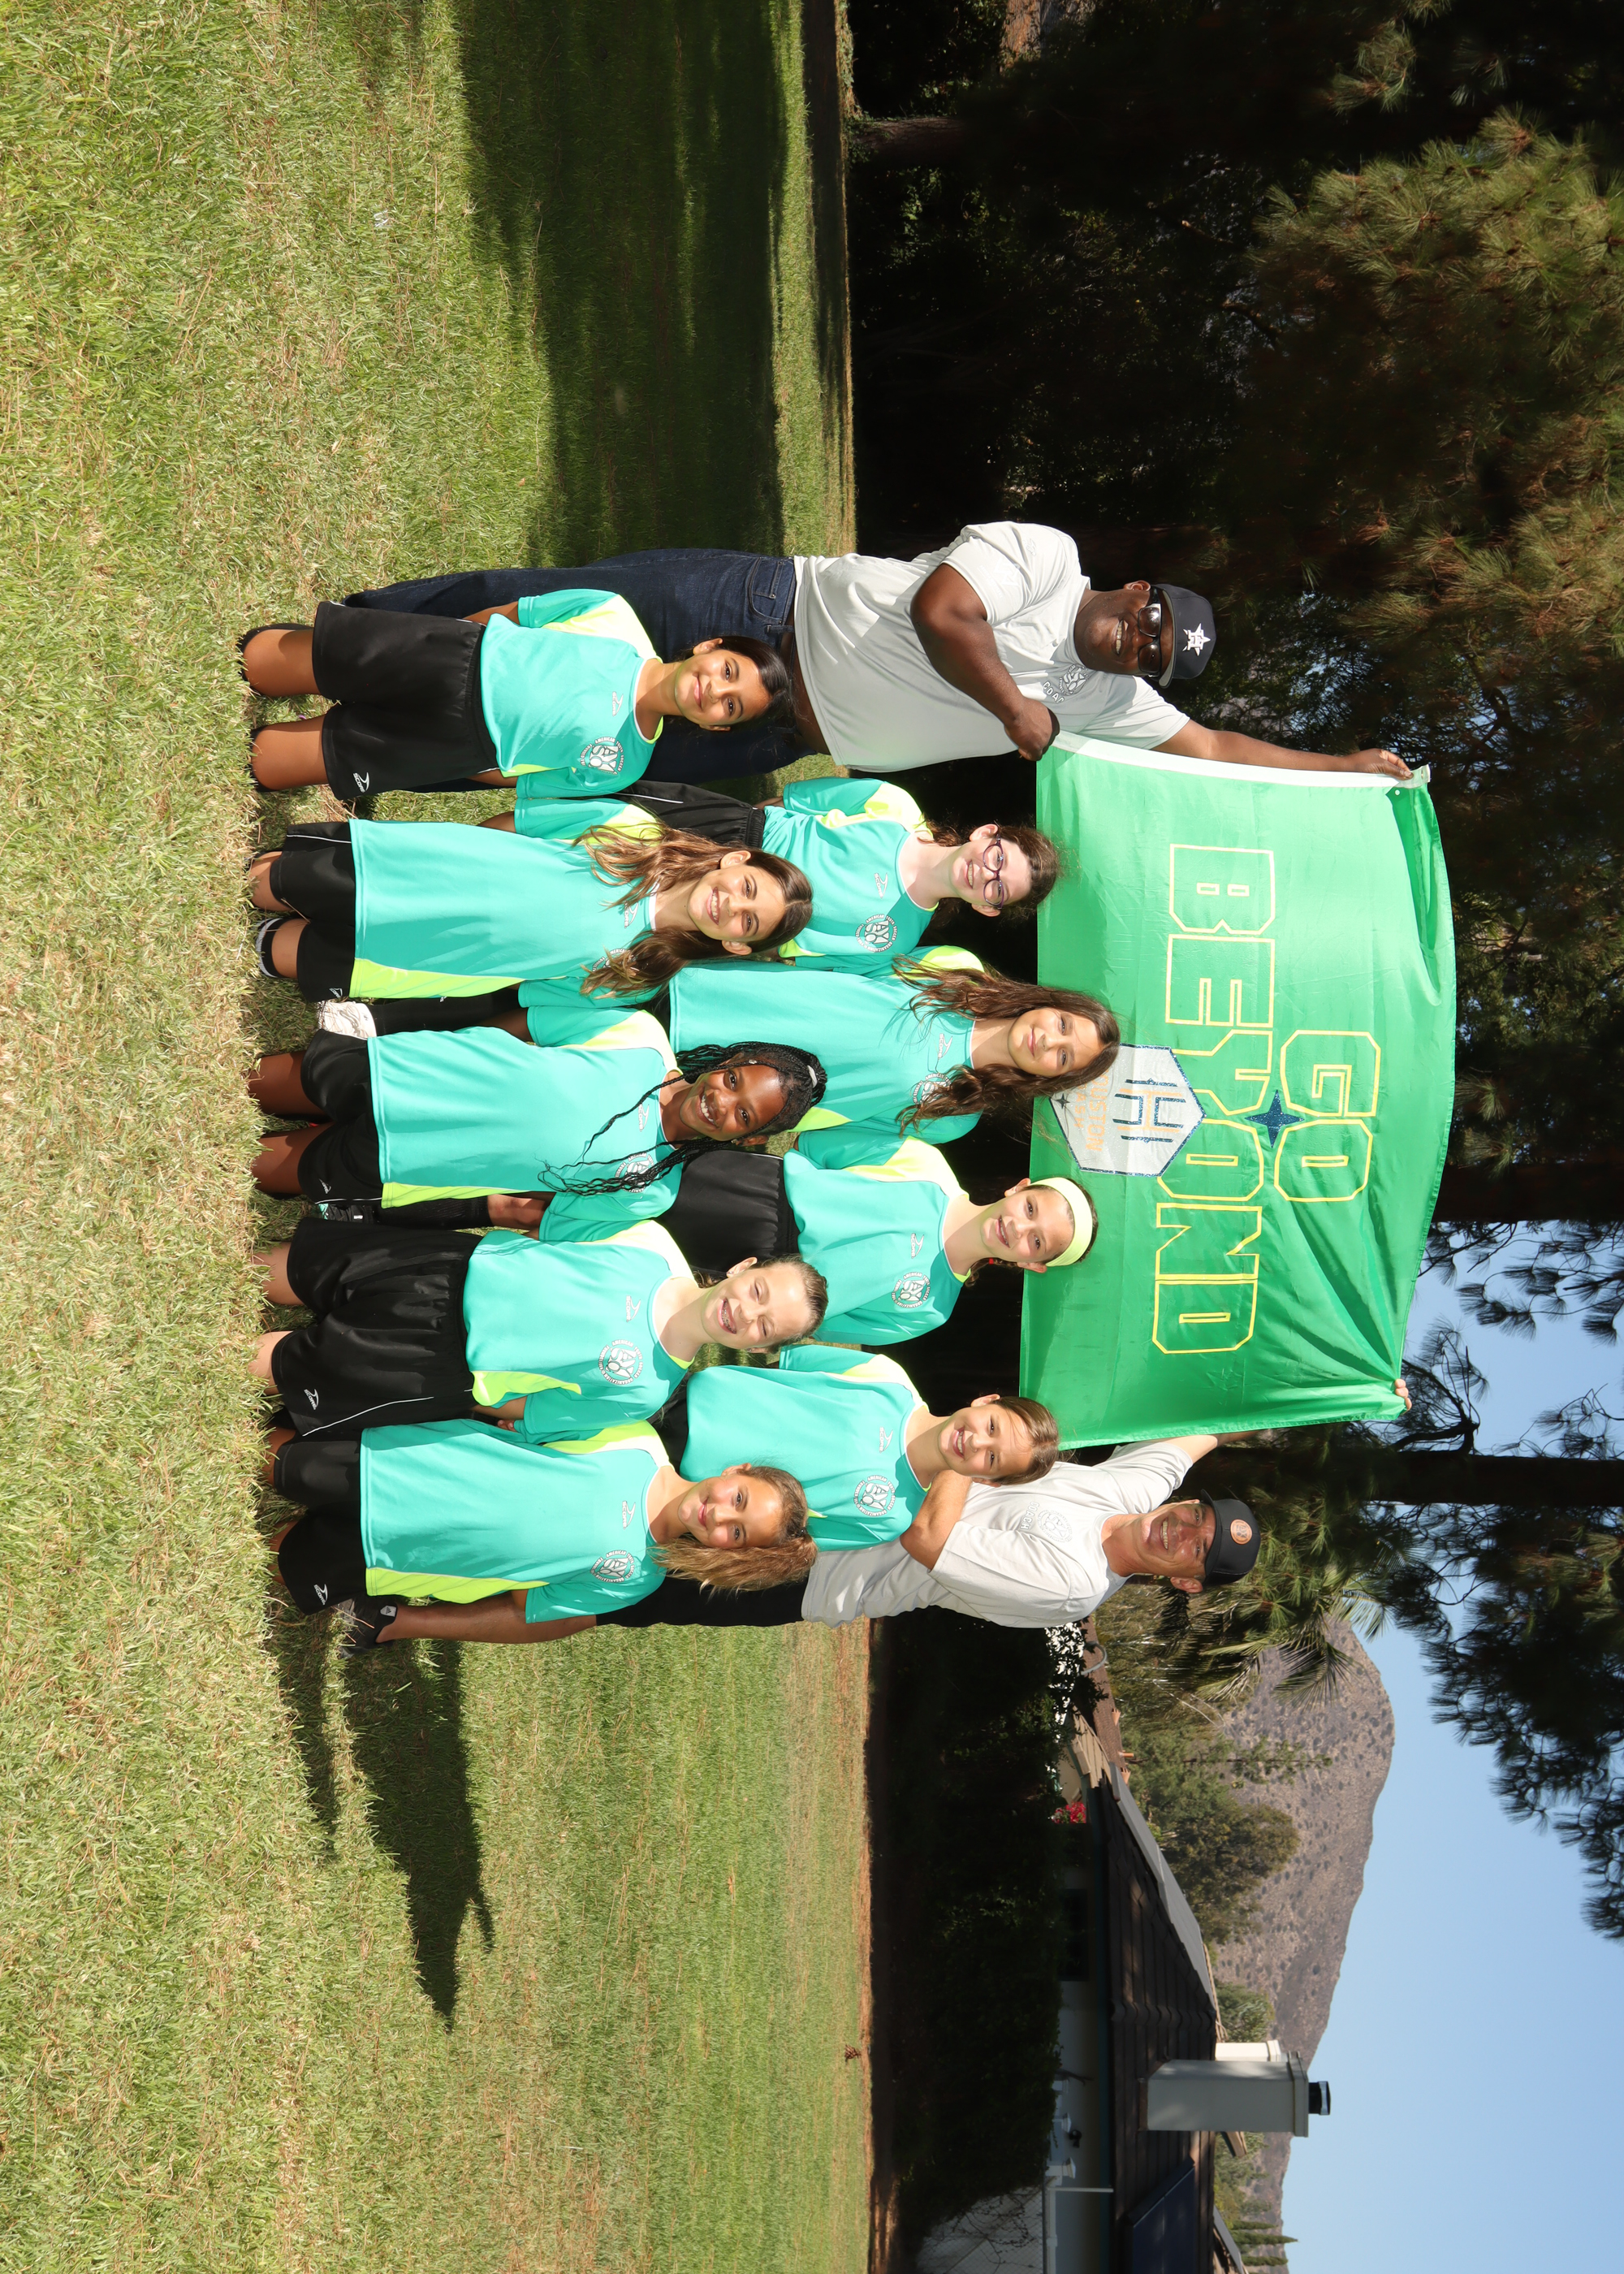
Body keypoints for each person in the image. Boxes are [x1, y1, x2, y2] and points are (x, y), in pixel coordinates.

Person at [340, 525, 1410, 785]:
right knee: (530, 611)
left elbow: (1212, 749)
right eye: (1151, 619)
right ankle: (353, 636)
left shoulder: (1108, 700)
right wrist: (1017, 714)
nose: (1142, 641)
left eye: (1155, 655)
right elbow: (947, 612)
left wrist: (1344, 771)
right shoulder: (1050, 561)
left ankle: (358, 753)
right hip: (755, 611)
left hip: (772, 733)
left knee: (546, 756)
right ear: (1137, 589)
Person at [384, 1432, 1262, 1648]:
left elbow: (930, 1541)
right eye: (1195, 1517)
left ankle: (401, 1620)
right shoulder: (1135, 1493)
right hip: (830, 1495)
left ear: (1183, 1582)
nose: (1183, 1529)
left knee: (614, 1592)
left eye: (1195, 1550)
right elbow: (1188, 1437)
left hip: (810, 1572)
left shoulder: (1070, 1585)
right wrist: (1265, 1409)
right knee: (641, 1493)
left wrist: (967, 1448)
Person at [250, 1213, 828, 1438]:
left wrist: (462, 1391)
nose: (746, 1313)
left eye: (764, 1328)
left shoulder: (646, 1392)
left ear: (761, 1349)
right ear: (744, 1267)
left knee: (281, 1363)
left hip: (437, 1363)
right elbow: (550, 1233)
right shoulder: (650, 1240)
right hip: (448, 1266)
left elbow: (531, 1410)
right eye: (758, 1292)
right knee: (283, 1271)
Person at [264, 1416, 812, 1652]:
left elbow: (529, 1607)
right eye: (739, 1500)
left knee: (276, 1561)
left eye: (736, 1535)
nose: (720, 1516)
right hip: (409, 1466)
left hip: (401, 1556)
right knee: (273, 1461)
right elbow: (518, 1419)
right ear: (736, 1470)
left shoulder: (636, 1578)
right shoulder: (636, 1439)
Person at [245, 1009, 826, 1221]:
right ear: (728, 1062)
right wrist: (455, 1047)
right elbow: (530, 1025)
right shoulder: (641, 1037)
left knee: (248, 1164)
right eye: (732, 1081)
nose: (721, 1102)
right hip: (410, 1076)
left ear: (747, 1141)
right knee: (250, 1083)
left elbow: (538, 1207)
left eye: (743, 1116)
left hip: (409, 1161)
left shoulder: (652, 1192)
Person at [565, 1130, 1096, 1348]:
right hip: (755, 1195)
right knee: (600, 1180)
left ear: (1032, 1266)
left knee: (598, 1253)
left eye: (1036, 1243)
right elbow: (820, 1145)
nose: (1019, 1228)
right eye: (1031, 1209)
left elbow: (818, 1322)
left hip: (751, 1282)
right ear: (1018, 1187)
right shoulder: (925, 1164)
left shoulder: (929, 1310)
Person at [238, 594, 793, 802]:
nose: (715, 690)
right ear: (710, 646)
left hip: (458, 743)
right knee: (260, 661)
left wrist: (458, 755)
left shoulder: (625, 766)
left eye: (730, 706)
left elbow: (519, 781)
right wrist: (447, 640)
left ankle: (332, 731)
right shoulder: (615, 616)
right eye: (727, 671)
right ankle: (321, 672)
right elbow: (511, 615)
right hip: (454, 657)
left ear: (717, 727)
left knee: (265, 762)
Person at [490, 774, 1061, 967]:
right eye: (998, 857)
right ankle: (477, 844)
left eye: (998, 889)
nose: (986, 874)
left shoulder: (896, 940)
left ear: (988, 908)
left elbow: (793, 956)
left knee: (600, 923)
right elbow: (787, 802)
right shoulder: (892, 805)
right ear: (987, 833)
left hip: (725, 916)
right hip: (732, 836)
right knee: (586, 825)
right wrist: (732, 842)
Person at [247, 816, 811, 1002]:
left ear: (736, 945)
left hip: (434, 956)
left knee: (275, 950)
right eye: (747, 887)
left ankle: (302, 934)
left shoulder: (644, 972)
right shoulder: (638, 833)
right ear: (736, 859)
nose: (732, 904)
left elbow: (539, 995)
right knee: (265, 882)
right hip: (424, 873)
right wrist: (444, 844)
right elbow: (525, 824)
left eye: (748, 922)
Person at [667, 1342, 1058, 1549]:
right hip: (678, 1402)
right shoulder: (885, 1377)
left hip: (685, 1492)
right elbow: (783, 1367)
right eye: (991, 1426)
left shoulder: (890, 1520)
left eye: (992, 1458)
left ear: (987, 1480)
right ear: (986, 1401)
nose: (975, 1441)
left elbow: (778, 1541)